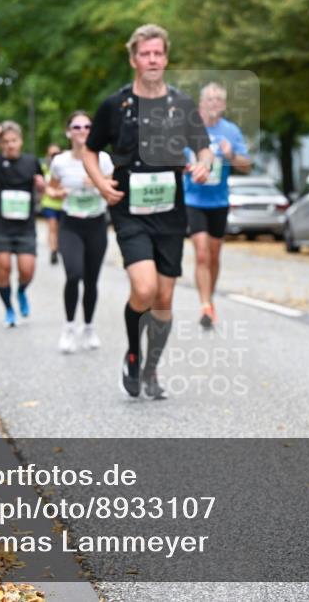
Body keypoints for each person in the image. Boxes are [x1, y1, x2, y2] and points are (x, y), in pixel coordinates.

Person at [83, 24, 213, 399]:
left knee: (165, 299)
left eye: (158, 53)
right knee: (144, 288)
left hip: (171, 212)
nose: (152, 59)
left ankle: (151, 370)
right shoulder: (115, 106)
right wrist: (99, 182)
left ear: (166, 57)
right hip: (129, 210)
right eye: (145, 54)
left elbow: (203, 148)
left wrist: (204, 164)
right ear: (133, 59)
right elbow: (91, 149)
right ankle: (132, 353)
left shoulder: (182, 105)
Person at [184, 82, 253, 329]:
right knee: (201, 253)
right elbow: (175, 159)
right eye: (209, 99)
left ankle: (209, 299)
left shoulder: (231, 131)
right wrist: (189, 167)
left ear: (223, 105)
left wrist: (231, 155)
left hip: (219, 201)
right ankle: (205, 305)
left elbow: (247, 164)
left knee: (213, 255)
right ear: (201, 103)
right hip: (193, 199)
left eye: (217, 100)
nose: (213, 103)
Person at [47, 111, 114, 353]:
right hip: (71, 224)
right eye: (77, 127)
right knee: (74, 274)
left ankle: (88, 326)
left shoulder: (103, 160)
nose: (83, 130)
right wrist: (59, 193)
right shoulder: (60, 162)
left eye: (87, 126)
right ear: (69, 132)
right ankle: (68, 328)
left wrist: (99, 183)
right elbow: (51, 190)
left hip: (96, 223)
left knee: (92, 280)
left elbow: (114, 187)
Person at [0, 120, 45, 328]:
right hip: (0, 225)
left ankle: (21, 291)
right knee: (3, 268)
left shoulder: (31, 161)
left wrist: (40, 186)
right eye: (5, 142)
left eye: (13, 141)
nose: (10, 145)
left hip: (25, 226)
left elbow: (43, 187)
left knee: (27, 271)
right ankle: (8, 309)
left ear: (20, 141)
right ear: (0, 144)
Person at [40, 143, 64, 265]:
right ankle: (53, 251)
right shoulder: (44, 168)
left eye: (57, 154)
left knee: (60, 229)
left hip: (64, 204)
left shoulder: (65, 167)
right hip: (49, 203)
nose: (54, 156)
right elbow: (44, 186)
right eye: (52, 154)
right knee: (52, 227)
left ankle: (58, 247)